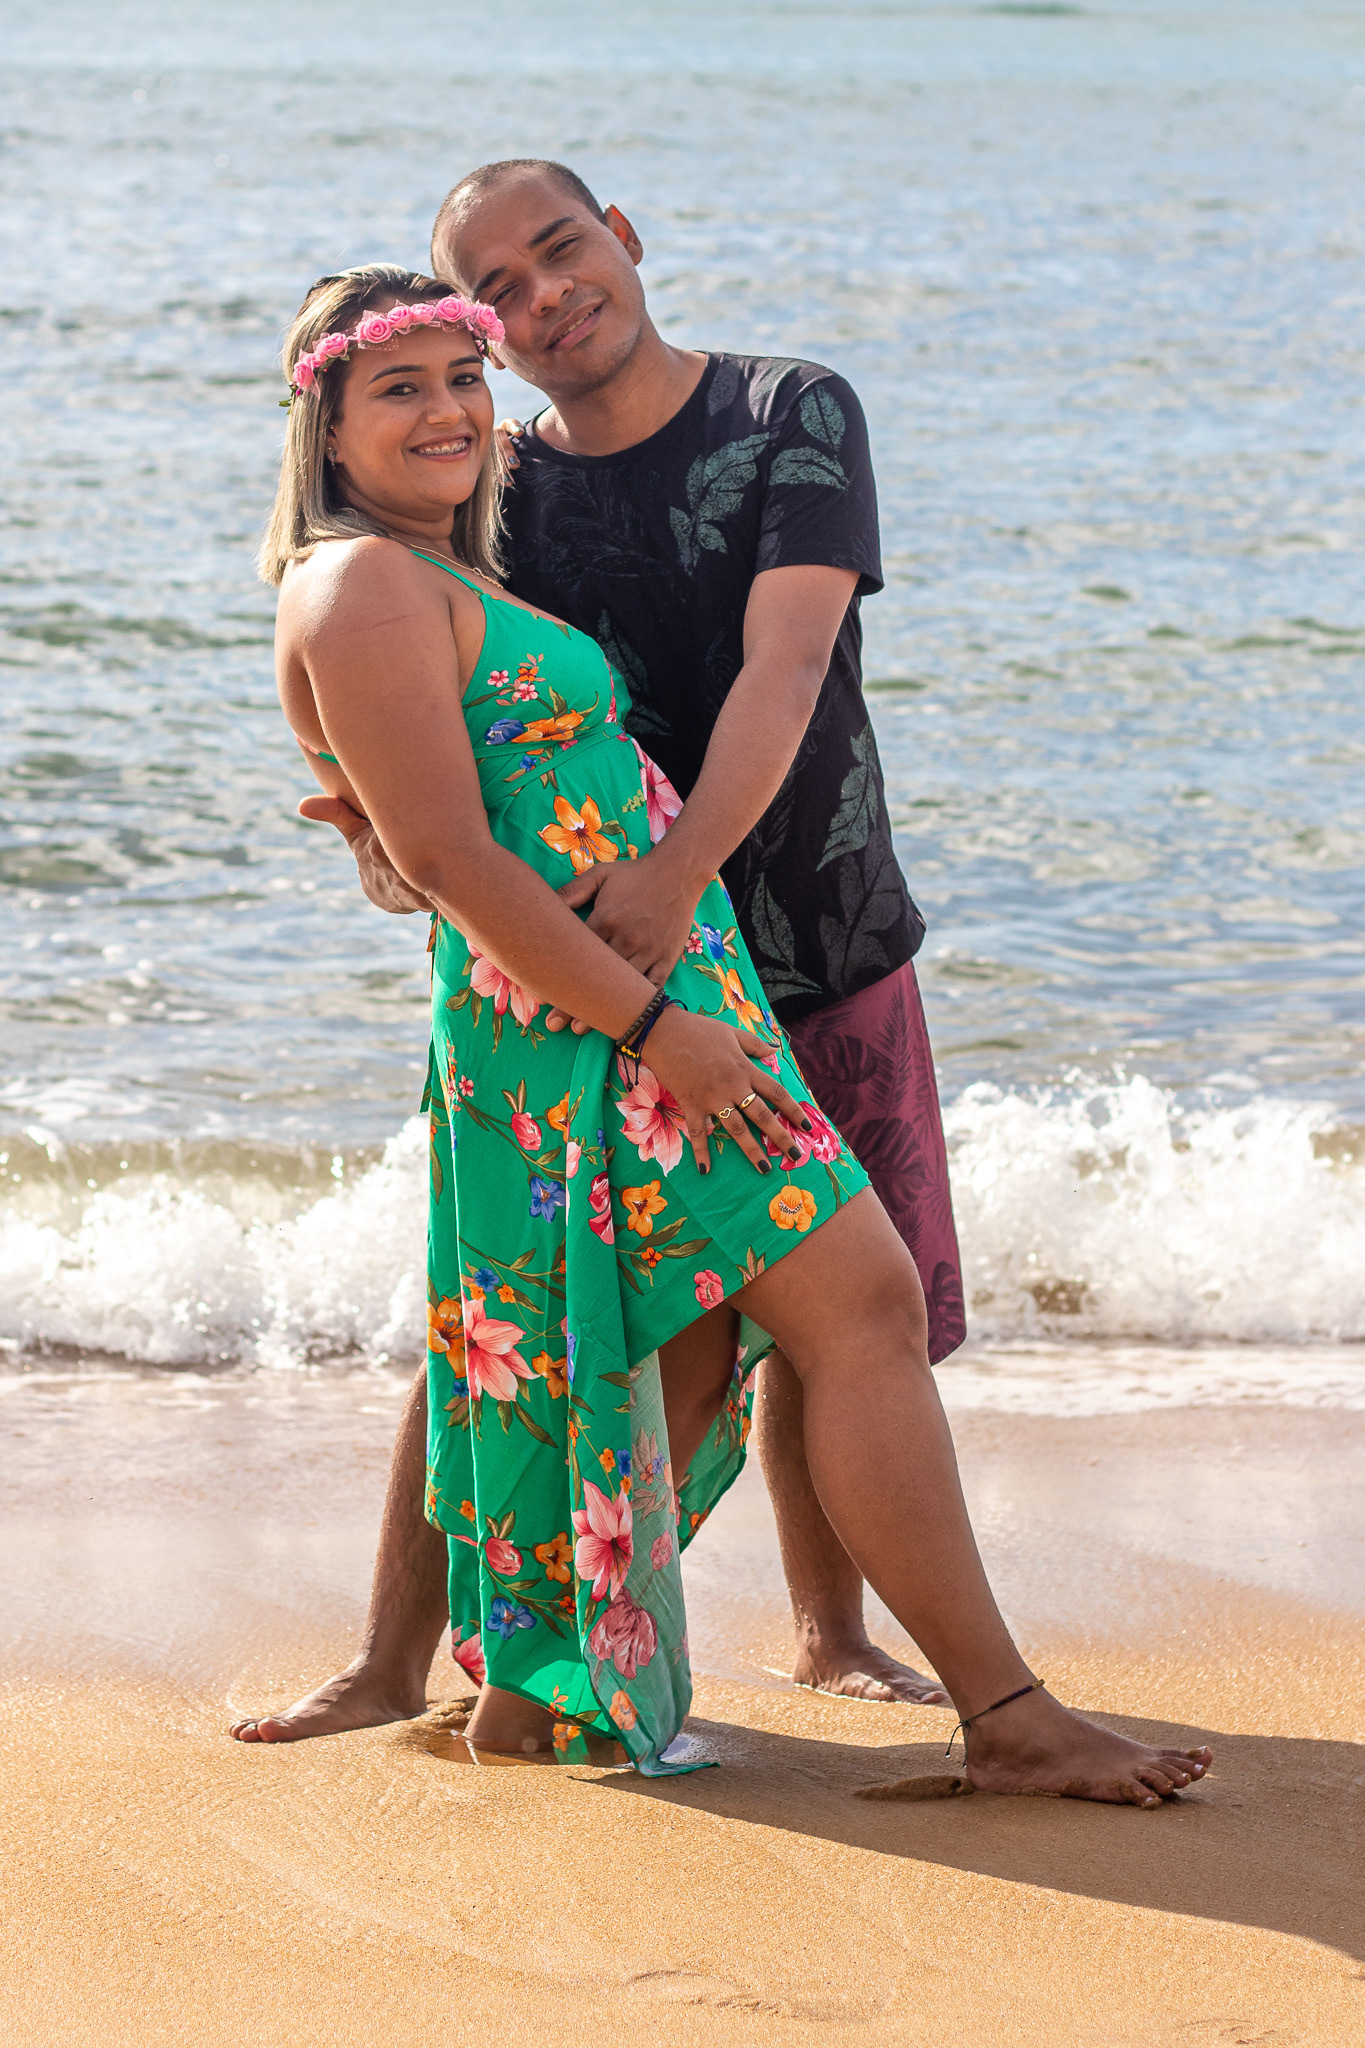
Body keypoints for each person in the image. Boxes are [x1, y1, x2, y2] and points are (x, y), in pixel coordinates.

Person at [235, 260, 1210, 1802]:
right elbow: (451, 861)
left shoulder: (439, 573)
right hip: (603, 1033)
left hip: (635, 1012)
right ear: (325, 425)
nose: (450, 412)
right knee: (857, 1299)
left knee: (674, 1343)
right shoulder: (359, 584)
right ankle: (1008, 1716)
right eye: (398, 389)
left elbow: (432, 834)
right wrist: (654, 1026)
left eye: (463, 378)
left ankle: (541, 1691)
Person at [237, 159, 969, 1744]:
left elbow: (786, 669)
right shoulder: (494, 483)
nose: (541, 297)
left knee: (833, 1307)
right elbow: (441, 751)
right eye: (494, 292)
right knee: (536, 1302)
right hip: (607, 974)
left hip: (804, 927)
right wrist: (398, 843)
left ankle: (815, 1633)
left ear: (623, 238)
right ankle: (442, 1659)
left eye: (559, 252)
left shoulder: (785, 411)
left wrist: (663, 882)